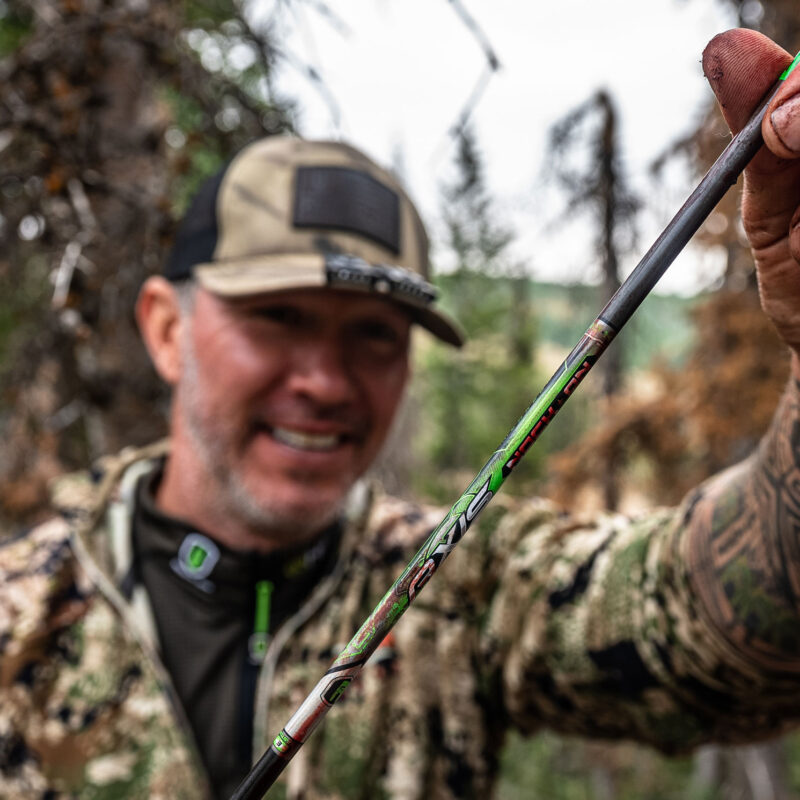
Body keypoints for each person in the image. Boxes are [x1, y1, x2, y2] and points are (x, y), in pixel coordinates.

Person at [1, 28, 800, 800]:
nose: (325, 380)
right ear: (168, 331)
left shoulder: (465, 581)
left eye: (375, 335)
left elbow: (711, 630)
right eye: (278, 317)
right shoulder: (20, 613)